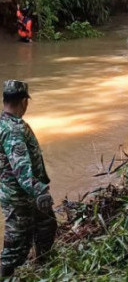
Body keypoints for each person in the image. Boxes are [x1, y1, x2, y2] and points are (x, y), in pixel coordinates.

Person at [0, 80, 57, 277]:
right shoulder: (14, 130)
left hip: (17, 193)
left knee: (46, 225)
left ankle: (42, 268)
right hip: (20, 197)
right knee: (14, 250)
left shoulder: (3, 123)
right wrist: (40, 191)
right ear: (24, 101)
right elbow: (21, 169)